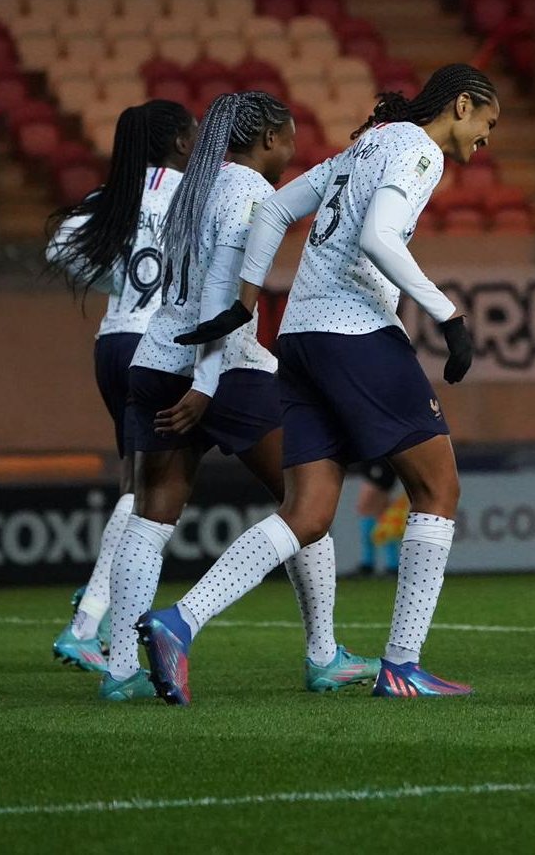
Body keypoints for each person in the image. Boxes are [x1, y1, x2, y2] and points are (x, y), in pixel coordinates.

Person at [138, 63, 499, 704]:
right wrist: (450, 315)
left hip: (299, 340)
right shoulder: (417, 149)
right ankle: (402, 666)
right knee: (438, 487)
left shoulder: (369, 141)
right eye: (487, 124)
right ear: (462, 105)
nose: (486, 140)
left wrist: (248, 300)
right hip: (353, 331)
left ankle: (179, 620)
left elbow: (276, 208)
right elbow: (379, 237)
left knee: (306, 513)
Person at [101, 90, 379, 702]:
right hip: (224, 369)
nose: (294, 150)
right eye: (290, 138)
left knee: (150, 519)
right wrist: (206, 385)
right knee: (307, 499)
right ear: (269, 140)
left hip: (152, 359)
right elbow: (223, 300)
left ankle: (121, 670)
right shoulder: (251, 194)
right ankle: (322, 654)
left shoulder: (194, 187)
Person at [45, 99, 196, 672]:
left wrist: (119, 278)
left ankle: (96, 605)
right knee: (147, 491)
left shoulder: (114, 196)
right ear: (181, 143)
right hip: (157, 345)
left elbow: (60, 248)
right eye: (194, 133)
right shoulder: (191, 192)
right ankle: (89, 620)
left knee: (137, 483)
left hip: (113, 339)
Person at [354, 460, 407, 576]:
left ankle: (385, 563)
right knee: (373, 513)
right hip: (377, 466)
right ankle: (374, 562)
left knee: (373, 512)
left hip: (381, 466)